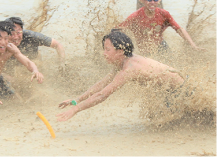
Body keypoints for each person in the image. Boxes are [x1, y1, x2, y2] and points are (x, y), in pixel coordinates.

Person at [56, 30, 186, 122]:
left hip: (181, 90)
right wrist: (76, 100)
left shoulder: (129, 69)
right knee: (161, 120)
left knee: (181, 121)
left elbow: (102, 95)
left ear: (120, 51)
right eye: (104, 49)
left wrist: (75, 110)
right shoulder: (122, 62)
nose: (104, 53)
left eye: (107, 50)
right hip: (169, 90)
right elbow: (102, 84)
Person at [116, 0, 203, 55]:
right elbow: (118, 31)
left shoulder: (164, 14)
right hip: (144, 52)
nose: (152, 2)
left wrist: (193, 45)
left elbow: (179, 29)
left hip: (161, 46)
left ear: (159, 0)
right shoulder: (135, 16)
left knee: (171, 66)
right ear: (142, 0)